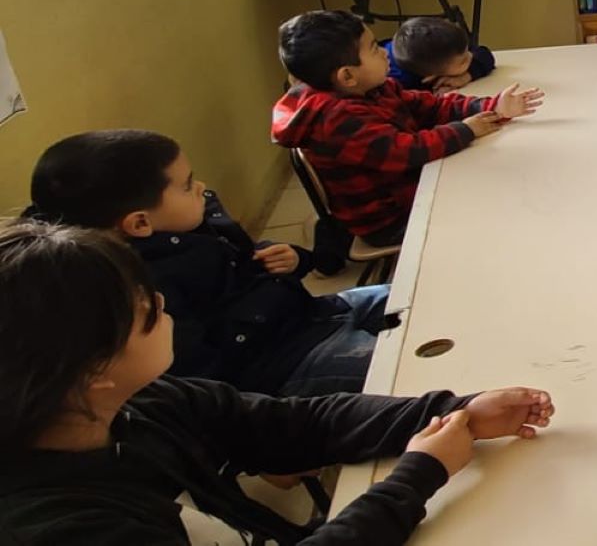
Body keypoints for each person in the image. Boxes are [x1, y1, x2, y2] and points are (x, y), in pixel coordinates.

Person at [0, 220, 554, 544]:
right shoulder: (66, 528)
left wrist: (457, 408)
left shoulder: (139, 403)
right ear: (93, 372)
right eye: (144, 310)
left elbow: (291, 422)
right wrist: (418, 476)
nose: (163, 303)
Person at [27, 129, 387, 397]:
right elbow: (204, 378)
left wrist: (293, 259)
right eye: (186, 186)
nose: (200, 187)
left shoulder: (195, 226)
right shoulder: (142, 291)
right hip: (287, 364)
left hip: (313, 315)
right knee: (403, 372)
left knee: (417, 296)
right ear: (140, 223)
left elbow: (243, 268)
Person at [270, 10, 543, 249]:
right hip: (390, 220)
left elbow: (429, 107)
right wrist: (466, 130)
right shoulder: (337, 120)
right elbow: (408, 151)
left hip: (410, 188)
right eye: (375, 48)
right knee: (502, 202)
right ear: (347, 76)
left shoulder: (375, 87)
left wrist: (494, 105)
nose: (385, 52)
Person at [383, 17, 496, 93]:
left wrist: (466, 76)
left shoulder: (446, 47)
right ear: (430, 76)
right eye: (463, 61)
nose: (471, 56)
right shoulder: (398, 85)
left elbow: (484, 53)